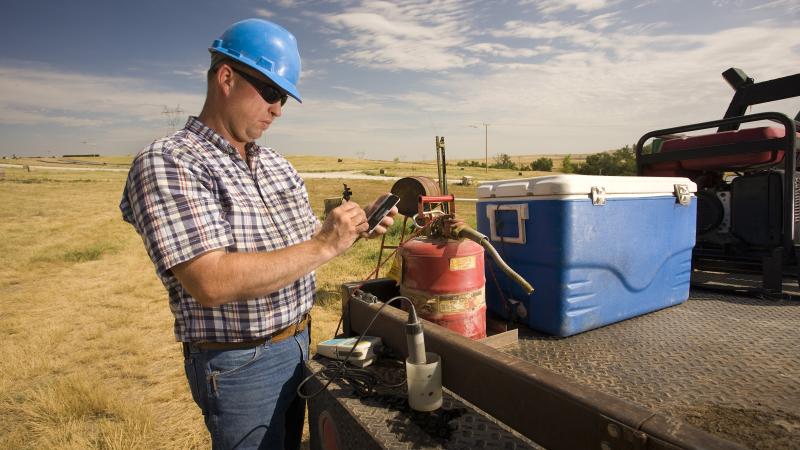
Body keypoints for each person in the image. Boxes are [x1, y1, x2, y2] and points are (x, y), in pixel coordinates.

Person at [119, 18, 396, 449]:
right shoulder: (170, 161)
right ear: (226, 77)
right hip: (239, 362)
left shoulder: (275, 164)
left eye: (283, 97)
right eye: (270, 92)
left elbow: (301, 249)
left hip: (301, 341)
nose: (278, 109)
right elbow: (209, 281)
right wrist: (324, 243)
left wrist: (351, 231)